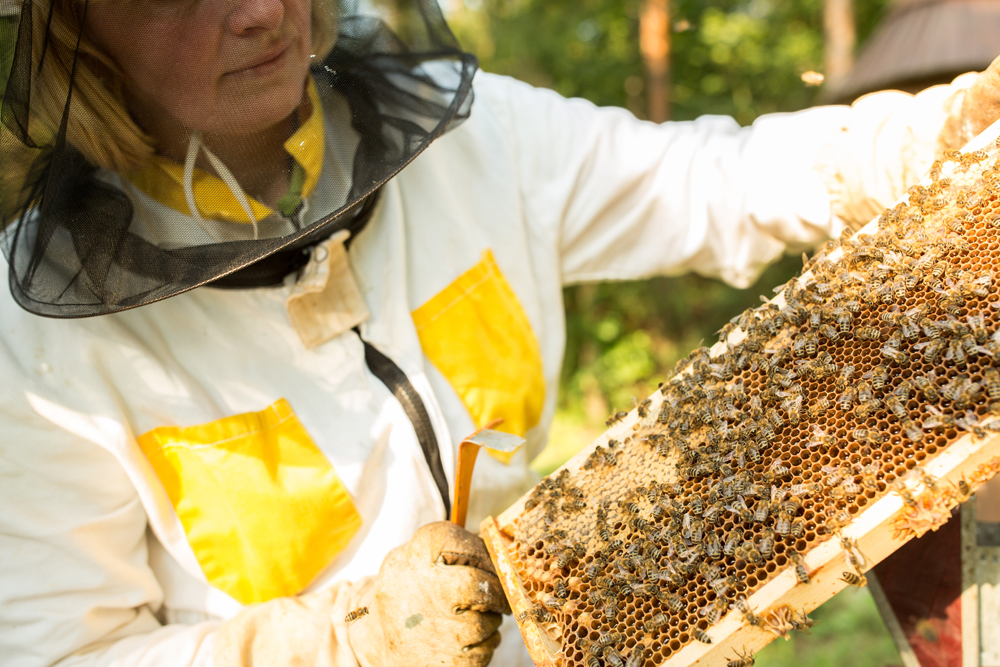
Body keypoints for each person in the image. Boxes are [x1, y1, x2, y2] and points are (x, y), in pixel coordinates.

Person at [2, 1, 1000, 666]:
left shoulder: (480, 142)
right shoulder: (32, 351)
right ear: (71, 35)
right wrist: (348, 642)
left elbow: (715, 181)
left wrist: (914, 142)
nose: (259, 9)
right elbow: (61, 654)